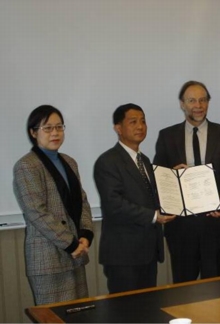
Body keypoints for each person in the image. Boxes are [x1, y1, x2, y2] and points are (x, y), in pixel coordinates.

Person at [153, 81, 220, 283]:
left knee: (214, 288)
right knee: (183, 288)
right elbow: (158, 179)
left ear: (208, 103)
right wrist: (170, 175)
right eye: (192, 100)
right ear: (182, 104)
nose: (198, 105)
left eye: (203, 100)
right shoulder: (167, 136)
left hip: (216, 224)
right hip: (181, 228)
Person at [13, 105, 94, 305]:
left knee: (80, 316)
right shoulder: (26, 165)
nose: (55, 133)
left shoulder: (69, 162)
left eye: (59, 127)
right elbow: (36, 212)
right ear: (33, 132)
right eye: (47, 128)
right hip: (48, 258)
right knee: (55, 318)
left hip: (76, 254)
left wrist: (85, 235)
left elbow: (82, 201)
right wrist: (71, 243)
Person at [94, 103, 175, 293]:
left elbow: (152, 195)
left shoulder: (145, 161)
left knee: (147, 311)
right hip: (123, 255)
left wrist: (174, 179)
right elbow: (114, 204)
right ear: (118, 128)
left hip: (147, 252)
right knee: (126, 314)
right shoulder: (108, 161)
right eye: (133, 122)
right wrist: (154, 216)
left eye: (143, 121)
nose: (140, 126)